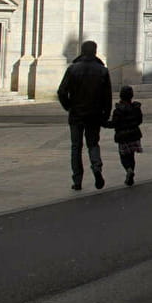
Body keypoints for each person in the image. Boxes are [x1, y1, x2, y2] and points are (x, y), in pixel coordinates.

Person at [57, 40, 112, 191]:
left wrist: (69, 106)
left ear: (82, 51)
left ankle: (77, 180)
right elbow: (107, 97)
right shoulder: (102, 70)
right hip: (94, 114)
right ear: (95, 51)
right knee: (93, 144)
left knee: (76, 147)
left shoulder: (73, 69)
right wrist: (105, 115)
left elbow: (61, 91)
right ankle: (96, 168)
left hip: (76, 114)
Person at [108, 85, 143, 186]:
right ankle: (131, 170)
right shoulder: (136, 108)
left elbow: (114, 123)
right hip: (134, 135)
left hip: (123, 136)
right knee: (131, 156)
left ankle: (128, 169)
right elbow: (139, 120)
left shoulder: (118, 110)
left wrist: (103, 123)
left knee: (124, 156)